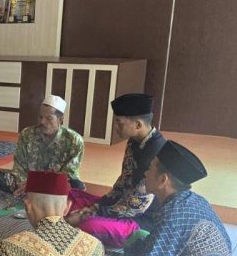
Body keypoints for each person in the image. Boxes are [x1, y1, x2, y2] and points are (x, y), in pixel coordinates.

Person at [106, 141, 232, 256]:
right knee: (138, 235)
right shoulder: (189, 199)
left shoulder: (175, 215)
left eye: (149, 169)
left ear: (163, 180)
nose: (145, 173)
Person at [67, 93, 166, 247]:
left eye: (119, 123)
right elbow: (122, 182)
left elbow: (136, 207)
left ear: (138, 125)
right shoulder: (134, 141)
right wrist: (94, 206)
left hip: (140, 220)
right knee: (72, 195)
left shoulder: (156, 153)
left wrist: (89, 213)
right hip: (120, 205)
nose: (116, 127)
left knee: (87, 225)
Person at [0, 95, 85, 195]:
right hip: (27, 183)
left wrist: (36, 185)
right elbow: (19, 166)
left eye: (49, 118)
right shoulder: (27, 134)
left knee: (77, 186)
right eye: (40, 117)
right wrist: (25, 183)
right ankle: (29, 192)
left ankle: (34, 193)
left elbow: (68, 174)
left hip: (53, 185)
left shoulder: (74, 140)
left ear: (60, 119)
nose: (42, 122)